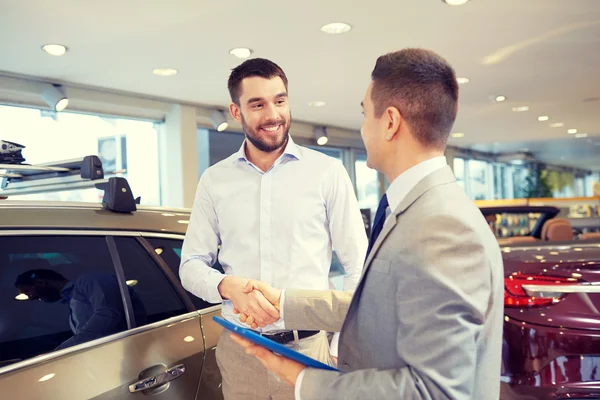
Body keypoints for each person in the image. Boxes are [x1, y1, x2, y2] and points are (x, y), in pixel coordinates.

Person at [231, 48, 504, 400]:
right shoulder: (416, 210)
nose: (362, 128)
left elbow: (435, 392)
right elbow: (380, 305)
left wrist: (302, 378)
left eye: (365, 114)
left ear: (389, 122)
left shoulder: (444, 228)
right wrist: (284, 303)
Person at [179, 57, 367, 399]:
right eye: (258, 104)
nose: (273, 114)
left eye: (280, 100)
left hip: (308, 352)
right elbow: (190, 265)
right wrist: (224, 285)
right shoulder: (214, 181)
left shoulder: (327, 173)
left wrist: (342, 343)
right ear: (236, 112)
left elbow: (359, 264)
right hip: (239, 354)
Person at [14, 268, 139, 350]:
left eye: (28, 292)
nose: (31, 298)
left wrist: (61, 351)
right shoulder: (72, 300)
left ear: (41, 282)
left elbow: (109, 314)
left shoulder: (89, 280)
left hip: (128, 350)